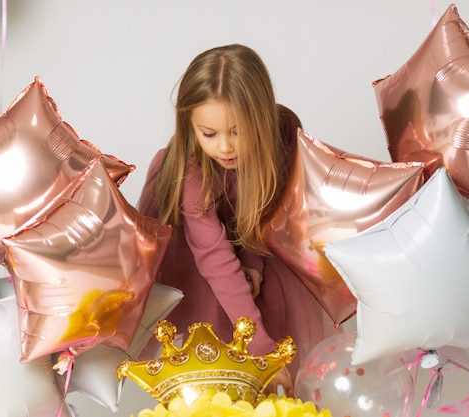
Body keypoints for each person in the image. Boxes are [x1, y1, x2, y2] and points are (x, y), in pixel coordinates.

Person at [137, 44, 332, 396]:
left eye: (238, 131)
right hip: (200, 252)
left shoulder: (285, 132)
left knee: (274, 312)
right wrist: (262, 353)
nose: (225, 147)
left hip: (260, 238)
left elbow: (275, 205)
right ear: (190, 127)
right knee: (223, 340)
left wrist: (255, 261)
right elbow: (213, 256)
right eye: (209, 134)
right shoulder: (192, 168)